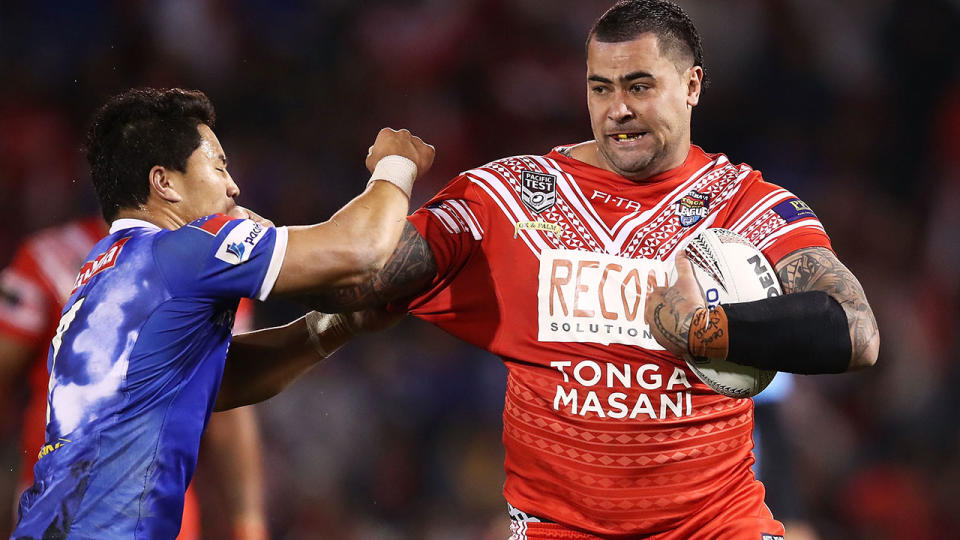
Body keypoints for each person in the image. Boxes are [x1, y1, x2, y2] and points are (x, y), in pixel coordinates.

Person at [223, 1, 880, 538]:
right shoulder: (507, 196)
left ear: (692, 86)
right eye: (602, 88)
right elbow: (357, 278)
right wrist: (207, 247)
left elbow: (854, 330)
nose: (617, 109)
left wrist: (704, 330)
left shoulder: (746, 203)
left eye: (640, 86)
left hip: (715, 527)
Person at [10, 87, 434, 539]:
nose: (234, 186)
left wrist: (337, 325)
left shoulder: (101, 274)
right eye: (218, 166)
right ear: (165, 183)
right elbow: (361, 248)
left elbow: (214, 381)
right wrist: (396, 165)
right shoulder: (183, 251)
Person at [0, 216, 268, 540]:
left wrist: (248, 524)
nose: (230, 187)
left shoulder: (214, 265)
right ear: (161, 178)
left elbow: (228, 405)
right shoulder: (49, 258)